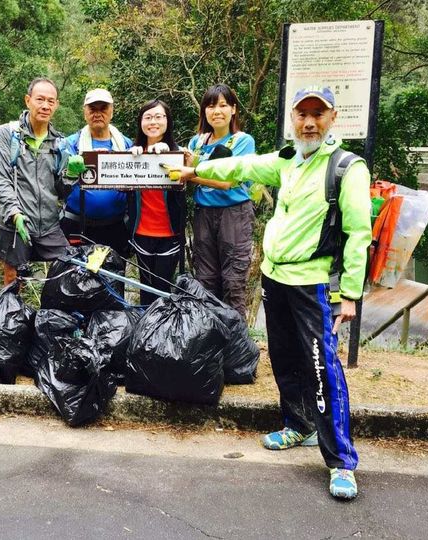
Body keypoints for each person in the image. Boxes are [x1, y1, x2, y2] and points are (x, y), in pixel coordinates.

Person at [173, 86, 371, 500]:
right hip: (275, 278)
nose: (309, 122)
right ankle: (297, 426)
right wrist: (194, 171)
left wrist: (350, 294)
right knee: (283, 356)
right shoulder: (286, 161)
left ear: (333, 118)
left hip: (311, 283)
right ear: (292, 118)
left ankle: (342, 462)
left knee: (321, 367)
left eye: (318, 114)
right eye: (302, 114)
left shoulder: (346, 168)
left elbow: (358, 234)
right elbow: (241, 166)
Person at [0, 77, 70, 285]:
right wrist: (14, 213)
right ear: (28, 100)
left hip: (49, 223)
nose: (45, 106)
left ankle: (50, 316)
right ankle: (11, 316)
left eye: (51, 101)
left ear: (56, 105)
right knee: (13, 277)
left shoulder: (59, 142)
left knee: (66, 268)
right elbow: (0, 178)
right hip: (14, 221)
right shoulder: (7, 134)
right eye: (40, 99)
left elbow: (62, 191)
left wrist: (71, 175)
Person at [187, 83, 256, 318]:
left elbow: (228, 182)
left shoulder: (242, 141)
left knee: (233, 282)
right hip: (203, 214)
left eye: (223, 105)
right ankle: (209, 342)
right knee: (205, 281)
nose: (217, 111)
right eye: (211, 105)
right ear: (204, 111)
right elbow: (182, 173)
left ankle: (236, 346)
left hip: (234, 214)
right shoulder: (197, 142)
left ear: (233, 109)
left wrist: (192, 174)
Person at [60, 88, 133, 256]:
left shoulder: (126, 144)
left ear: (112, 111)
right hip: (77, 225)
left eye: (103, 108)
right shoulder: (70, 144)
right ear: (85, 112)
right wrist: (69, 174)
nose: (98, 113)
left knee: (113, 277)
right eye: (93, 109)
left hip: (116, 226)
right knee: (75, 277)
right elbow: (58, 187)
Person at [127, 99, 185, 305]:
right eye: (148, 117)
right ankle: (145, 332)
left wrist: (170, 153)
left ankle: (162, 333)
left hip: (169, 235)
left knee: (163, 291)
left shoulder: (181, 153)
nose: (153, 122)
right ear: (141, 122)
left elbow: (190, 177)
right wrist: (131, 157)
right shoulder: (131, 154)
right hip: (141, 232)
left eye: (159, 117)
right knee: (145, 289)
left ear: (168, 121)